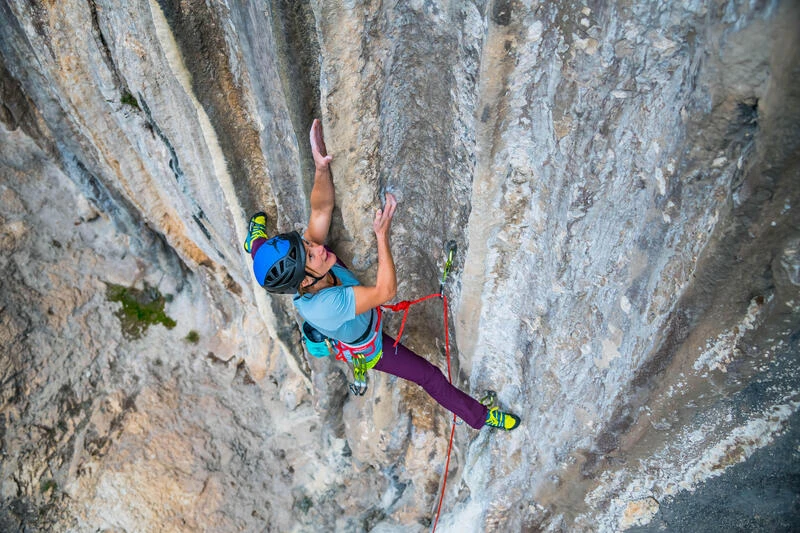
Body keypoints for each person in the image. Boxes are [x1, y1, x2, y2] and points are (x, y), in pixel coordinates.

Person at [243, 119, 519, 431]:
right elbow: (385, 291)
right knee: (429, 376)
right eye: (310, 254)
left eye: (308, 245)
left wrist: (320, 167)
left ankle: (255, 240)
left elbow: (320, 210)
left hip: (344, 307)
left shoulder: (305, 267)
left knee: (261, 250)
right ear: (304, 281)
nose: (317, 247)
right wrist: (381, 235)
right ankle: (482, 417)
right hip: (369, 344)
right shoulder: (326, 305)